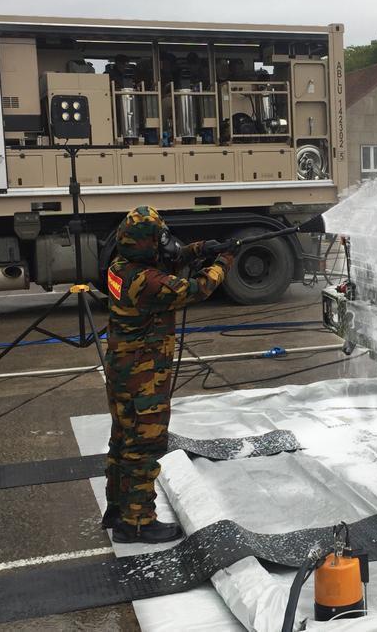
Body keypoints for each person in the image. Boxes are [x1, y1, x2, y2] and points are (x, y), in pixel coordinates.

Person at [101, 207, 235, 543]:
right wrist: (223, 262)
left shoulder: (119, 267)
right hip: (143, 376)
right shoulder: (147, 282)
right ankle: (137, 523)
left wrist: (201, 248)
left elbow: (168, 260)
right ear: (145, 244)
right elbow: (197, 288)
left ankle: (117, 507)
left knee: (122, 440)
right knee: (144, 447)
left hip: (122, 368)